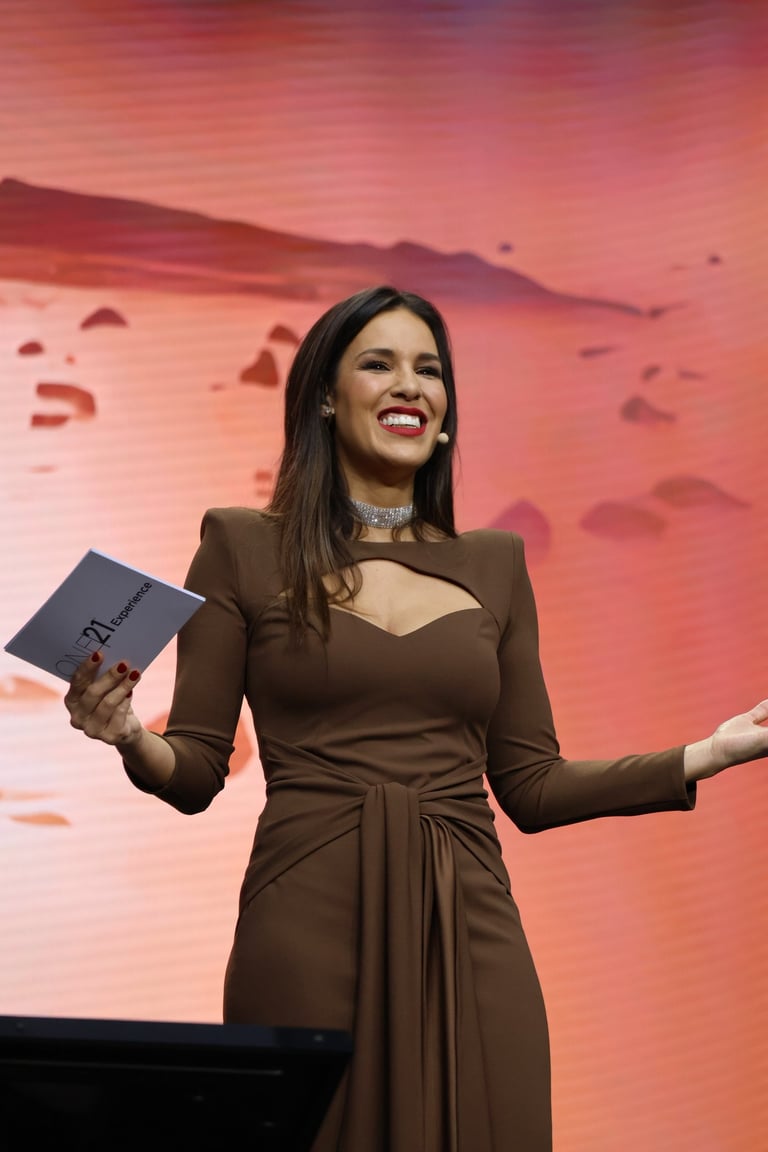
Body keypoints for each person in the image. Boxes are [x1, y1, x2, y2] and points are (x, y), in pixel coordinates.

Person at [65, 285, 767, 1152]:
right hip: (307, 916)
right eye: (380, 363)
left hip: (469, 918)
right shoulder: (242, 545)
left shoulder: (497, 564)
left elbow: (533, 785)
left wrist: (707, 753)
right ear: (325, 395)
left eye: (429, 370)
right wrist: (130, 735)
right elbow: (199, 768)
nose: (411, 385)